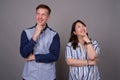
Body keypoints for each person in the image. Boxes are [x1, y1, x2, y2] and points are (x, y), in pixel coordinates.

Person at [20, 4, 60, 80]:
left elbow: (54, 56)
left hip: (48, 77)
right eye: (38, 14)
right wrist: (35, 36)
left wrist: (34, 57)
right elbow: (24, 53)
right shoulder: (26, 32)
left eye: (43, 14)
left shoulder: (54, 35)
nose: (40, 17)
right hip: (29, 76)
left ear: (48, 17)